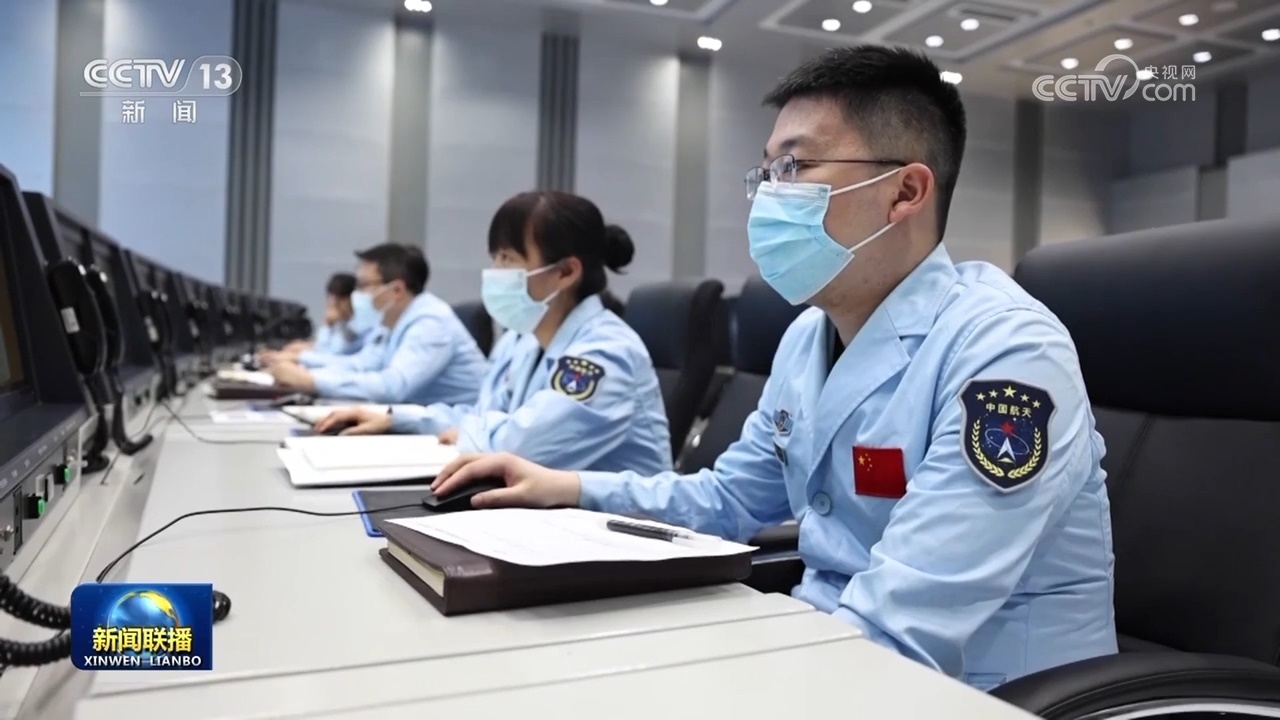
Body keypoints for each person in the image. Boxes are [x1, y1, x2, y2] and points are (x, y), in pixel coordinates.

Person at [430, 46, 1117, 689]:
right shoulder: (807, 337)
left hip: (978, 689)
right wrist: (569, 488)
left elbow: (908, 618)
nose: (766, 196)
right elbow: (727, 500)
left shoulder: (1006, 353)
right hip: (825, 647)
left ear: (905, 191)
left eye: (793, 168)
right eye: (765, 173)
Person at [315, 191, 672, 476]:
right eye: (495, 258)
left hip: (618, 533)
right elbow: (481, 414)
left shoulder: (605, 352)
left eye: (507, 258)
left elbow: (523, 448)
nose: (494, 271)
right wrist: (396, 419)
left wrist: (473, 432)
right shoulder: (524, 341)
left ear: (565, 272)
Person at [267, 244, 487, 405]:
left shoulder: (431, 323)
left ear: (397, 290)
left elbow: (394, 387)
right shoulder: (390, 324)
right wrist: (304, 367)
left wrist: (311, 381)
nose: (356, 295)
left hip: (457, 431)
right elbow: (362, 364)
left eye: (363, 285)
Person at [268, 273, 370, 364]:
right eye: (330, 297)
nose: (332, 303)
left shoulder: (356, 327)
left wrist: (296, 357)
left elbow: (330, 354)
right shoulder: (341, 323)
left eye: (338, 298)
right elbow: (323, 348)